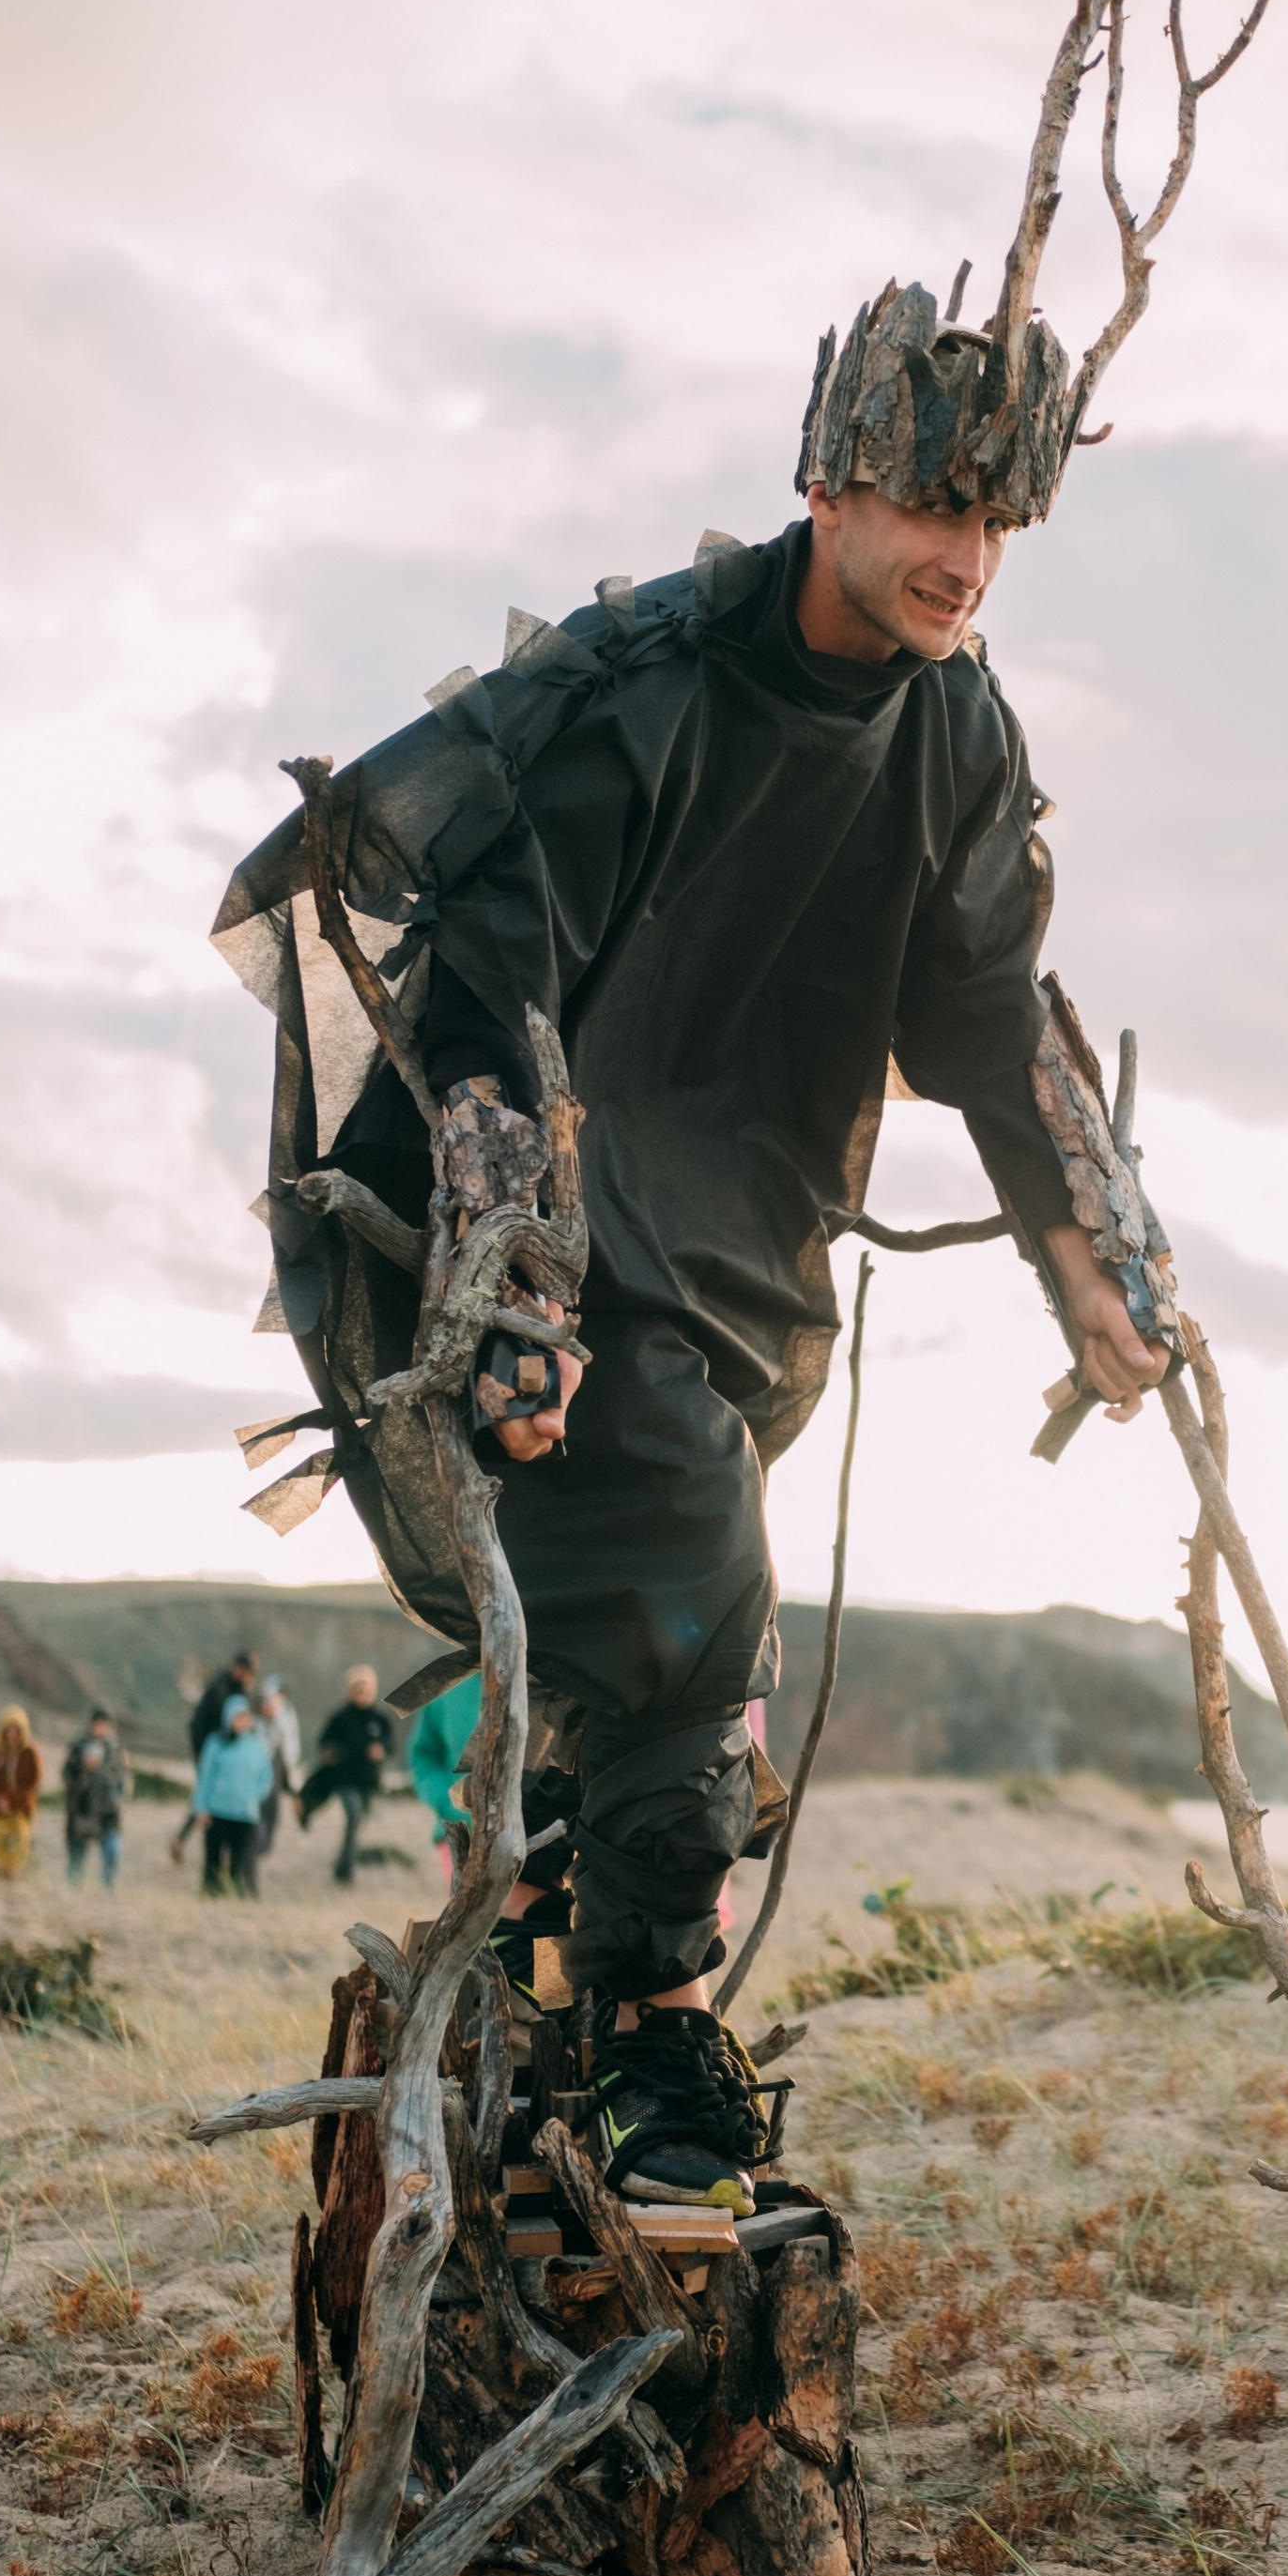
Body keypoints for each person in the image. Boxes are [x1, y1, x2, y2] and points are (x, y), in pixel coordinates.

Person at [214, 307, 1173, 2216]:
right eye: (924, 500)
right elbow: (491, 996)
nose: (959, 557)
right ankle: (656, 2044)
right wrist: (511, 1289)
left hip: (743, 1248)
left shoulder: (959, 731)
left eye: (996, 522)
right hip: (524, 1226)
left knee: (668, 1638)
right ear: (823, 478)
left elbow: (979, 1019)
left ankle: (542, 1968)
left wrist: (1087, 1257)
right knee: (684, 1589)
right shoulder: (639, 690)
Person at [299, 1669, 394, 1887]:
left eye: (366, 1690)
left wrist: (381, 1750)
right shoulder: (340, 1717)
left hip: (368, 1782)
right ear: (350, 1691)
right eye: (358, 1689)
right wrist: (332, 1752)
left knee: (359, 1823)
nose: (362, 1694)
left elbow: (390, 1745)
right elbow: (324, 1742)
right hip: (344, 1779)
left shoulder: (379, 1718)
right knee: (354, 1816)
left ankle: (344, 1862)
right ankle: (344, 1872)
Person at [172, 1648, 259, 1866]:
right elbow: (227, 1724)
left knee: (207, 1794)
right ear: (239, 1669)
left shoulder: (230, 1686)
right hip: (211, 1751)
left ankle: (182, 1837)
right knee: (207, 1795)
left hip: (215, 1749)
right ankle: (183, 1838)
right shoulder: (222, 1688)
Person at [193, 1695, 273, 1898]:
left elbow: (266, 1777)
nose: (242, 1722)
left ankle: (235, 1896)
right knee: (213, 1859)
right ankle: (211, 1895)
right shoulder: (216, 1742)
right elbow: (206, 1777)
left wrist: (254, 1797)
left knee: (239, 1861)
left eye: (245, 1718)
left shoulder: (256, 1744)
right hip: (217, 1810)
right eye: (238, 1717)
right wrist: (201, 1807)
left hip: (245, 1814)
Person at [406, 1668, 483, 1881]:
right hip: (460, 1829)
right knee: (468, 1912)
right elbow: (424, 1755)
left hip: (533, 1835)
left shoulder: (543, 1677)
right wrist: (445, 1801)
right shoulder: (447, 1686)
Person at [61, 1710, 129, 1891]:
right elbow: (67, 1776)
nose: (101, 1728)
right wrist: (84, 1769)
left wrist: (118, 1798)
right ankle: (72, 1895)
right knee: (76, 1861)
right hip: (81, 1812)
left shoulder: (115, 1749)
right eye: (97, 1724)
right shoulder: (77, 1747)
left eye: (104, 1725)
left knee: (112, 1853)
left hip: (108, 1814)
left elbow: (123, 1779)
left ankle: (107, 1894)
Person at [252, 1679, 302, 1863]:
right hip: (254, 1782)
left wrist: (296, 1790)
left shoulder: (284, 1723)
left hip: (274, 1781)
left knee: (271, 1821)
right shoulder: (251, 1727)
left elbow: (290, 1755)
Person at [0, 1709, 40, 1885]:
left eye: (16, 1731)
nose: (12, 1735)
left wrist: (12, 1801)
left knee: (20, 1842)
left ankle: (12, 1877)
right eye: (8, 1730)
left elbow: (32, 1785)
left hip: (19, 1811)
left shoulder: (29, 1754)